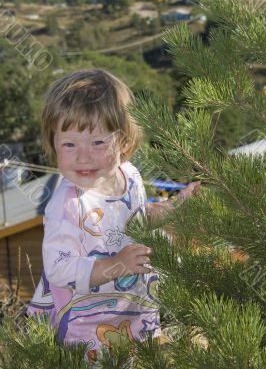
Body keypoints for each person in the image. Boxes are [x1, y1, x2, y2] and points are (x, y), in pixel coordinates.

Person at [27, 69, 200, 363]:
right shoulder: (67, 204)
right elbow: (58, 269)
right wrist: (115, 265)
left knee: (142, 357)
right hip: (89, 322)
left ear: (123, 142)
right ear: (53, 144)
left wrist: (173, 210)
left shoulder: (130, 176)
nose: (83, 156)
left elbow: (135, 219)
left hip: (133, 306)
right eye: (69, 144)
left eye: (97, 143)